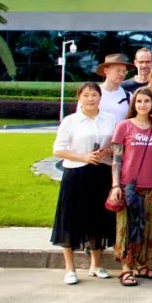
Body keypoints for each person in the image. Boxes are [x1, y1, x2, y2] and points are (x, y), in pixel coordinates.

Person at [50, 82, 117, 285]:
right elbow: (58, 150)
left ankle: (96, 265)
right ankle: (70, 268)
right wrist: (84, 157)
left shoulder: (110, 119)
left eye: (94, 95)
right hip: (76, 173)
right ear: (79, 97)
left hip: (101, 172)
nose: (90, 99)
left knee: (98, 219)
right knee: (70, 220)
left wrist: (107, 151)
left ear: (100, 97)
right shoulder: (71, 121)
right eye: (86, 95)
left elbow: (116, 144)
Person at [109, 87, 152, 286]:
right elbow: (117, 159)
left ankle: (143, 265)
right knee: (126, 227)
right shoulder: (124, 126)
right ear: (134, 104)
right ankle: (126, 268)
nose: (143, 105)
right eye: (139, 101)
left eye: (147, 101)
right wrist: (116, 185)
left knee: (150, 227)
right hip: (129, 186)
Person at [97, 53, 133, 125]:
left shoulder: (128, 96)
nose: (122, 74)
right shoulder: (94, 93)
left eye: (124, 71)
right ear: (106, 71)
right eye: (118, 70)